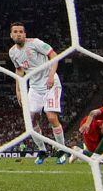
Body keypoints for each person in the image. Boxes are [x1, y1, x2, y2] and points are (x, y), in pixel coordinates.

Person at [9, 22, 66, 165]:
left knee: (51, 117)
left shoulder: (35, 43)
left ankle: (61, 150)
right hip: (34, 87)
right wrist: (19, 90)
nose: (18, 34)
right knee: (31, 119)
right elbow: (20, 71)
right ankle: (42, 151)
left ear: (25, 34)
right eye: (15, 31)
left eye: (21, 31)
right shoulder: (12, 52)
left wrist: (52, 75)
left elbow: (54, 55)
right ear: (11, 35)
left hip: (50, 84)